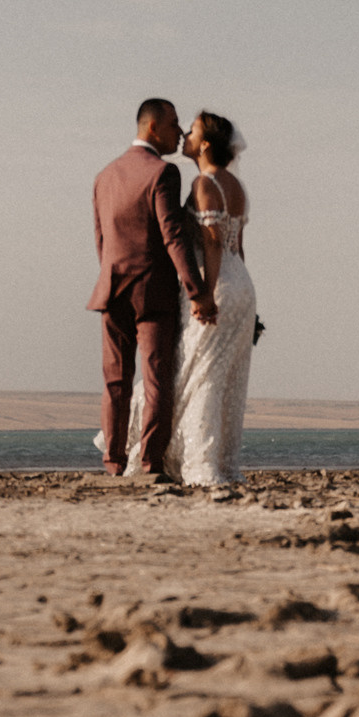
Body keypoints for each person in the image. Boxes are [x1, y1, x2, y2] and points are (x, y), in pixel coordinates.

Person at [88, 99, 215, 482]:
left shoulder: (104, 175)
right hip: (152, 293)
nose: (180, 132)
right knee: (157, 378)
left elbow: (101, 239)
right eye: (175, 124)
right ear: (154, 127)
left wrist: (112, 275)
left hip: (111, 289)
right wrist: (196, 290)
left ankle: (112, 463)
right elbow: (172, 235)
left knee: (115, 381)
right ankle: (149, 463)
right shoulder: (163, 173)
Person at [162, 113, 257, 497]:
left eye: (192, 129)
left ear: (204, 144)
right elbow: (239, 246)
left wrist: (206, 294)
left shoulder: (205, 183)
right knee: (227, 374)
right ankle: (223, 461)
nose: (184, 133)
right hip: (242, 285)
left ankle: (202, 463)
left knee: (202, 374)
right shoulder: (237, 185)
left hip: (216, 282)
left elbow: (214, 242)